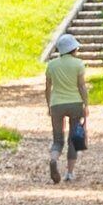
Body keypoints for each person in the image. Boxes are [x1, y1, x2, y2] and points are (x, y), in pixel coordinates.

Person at [43, 33, 89, 183]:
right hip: (75, 103)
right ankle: (69, 173)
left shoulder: (52, 65)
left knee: (57, 139)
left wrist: (49, 105)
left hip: (56, 104)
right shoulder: (78, 64)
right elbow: (81, 86)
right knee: (73, 139)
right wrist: (86, 104)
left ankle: (53, 159)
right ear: (73, 49)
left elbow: (47, 88)